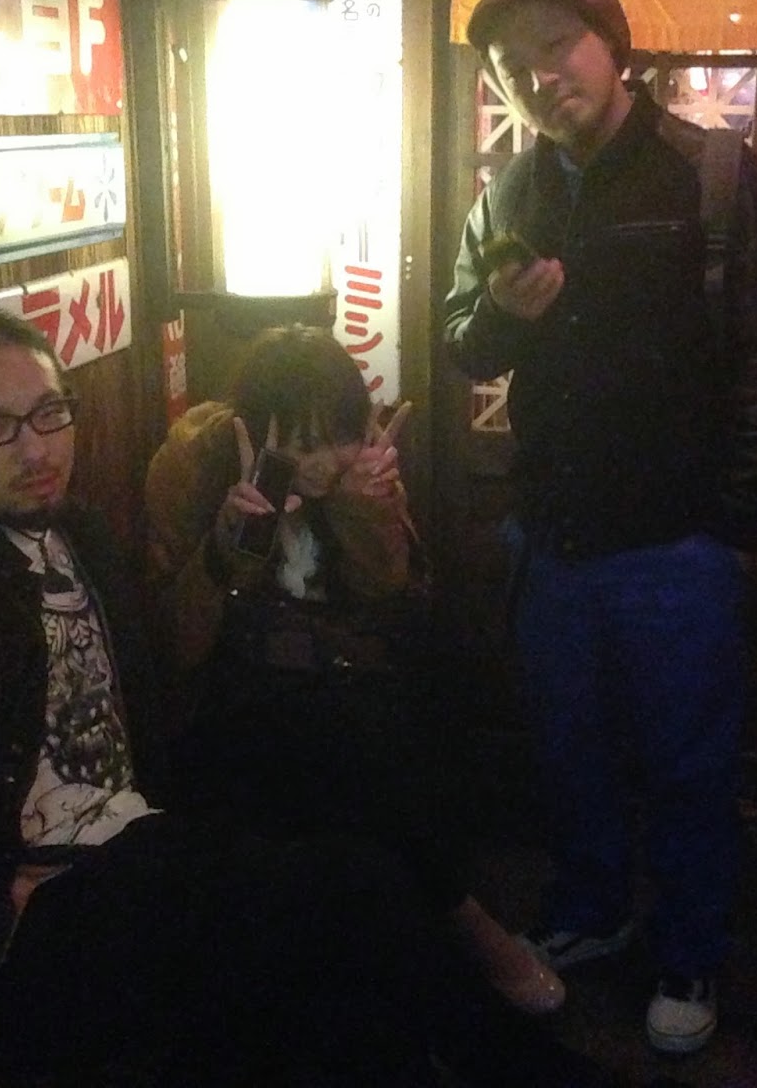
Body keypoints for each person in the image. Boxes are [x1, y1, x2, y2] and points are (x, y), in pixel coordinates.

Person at [0, 306, 609, 1086]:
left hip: (143, 834)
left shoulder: (78, 531)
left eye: (49, 414)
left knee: (345, 841)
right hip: (44, 912)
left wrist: (257, 554)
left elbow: (165, 678)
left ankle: (496, 1052)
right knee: (344, 900)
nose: (35, 449)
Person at [443, 0, 757, 1056]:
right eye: (511, 66)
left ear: (613, 47)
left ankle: (690, 947)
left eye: (557, 46)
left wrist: (734, 525)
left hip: (678, 542)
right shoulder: (508, 194)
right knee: (570, 750)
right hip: (551, 535)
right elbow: (465, 347)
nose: (537, 77)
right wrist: (502, 318)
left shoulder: (711, 176)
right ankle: (593, 907)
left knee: (691, 763)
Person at [143, 322, 564, 1017]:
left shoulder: (362, 469)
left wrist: (366, 513)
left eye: (337, 436)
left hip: (354, 686)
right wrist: (227, 548)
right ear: (256, 426)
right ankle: (470, 928)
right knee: (345, 748)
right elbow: (175, 649)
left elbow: (393, 598)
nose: (321, 461)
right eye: (298, 442)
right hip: (235, 696)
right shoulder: (196, 463)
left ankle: (424, 962)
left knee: (372, 738)